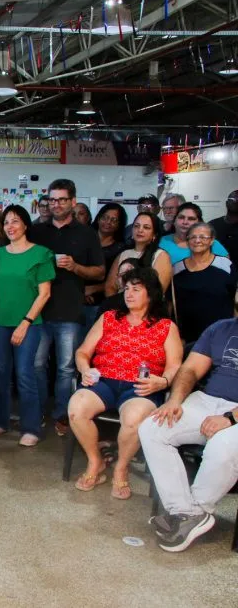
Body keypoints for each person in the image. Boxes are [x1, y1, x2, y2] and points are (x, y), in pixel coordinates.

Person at [69, 267, 182, 500]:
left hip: (141, 386)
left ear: (150, 294)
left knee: (133, 419)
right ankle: (95, 462)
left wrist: (163, 381)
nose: (129, 294)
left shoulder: (165, 327)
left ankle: (121, 467)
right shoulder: (109, 317)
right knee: (76, 409)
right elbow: (82, 352)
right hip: (104, 380)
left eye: (136, 289)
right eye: (126, 289)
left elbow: (175, 365)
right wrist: (84, 368)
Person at [139, 314, 238, 552]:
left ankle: (194, 510)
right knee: (153, 428)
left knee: (221, 445)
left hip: (234, 414)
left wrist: (230, 418)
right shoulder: (220, 328)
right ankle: (186, 512)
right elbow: (190, 369)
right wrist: (175, 400)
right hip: (207, 401)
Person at [29, 179, 105, 436]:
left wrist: (76, 267)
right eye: (52, 199)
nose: (57, 204)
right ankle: (36, 411)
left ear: (73, 202)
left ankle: (61, 415)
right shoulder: (37, 232)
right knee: (37, 364)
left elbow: (99, 272)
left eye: (62, 199)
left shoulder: (86, 234)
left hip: (70, 311)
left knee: (65, 367)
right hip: (38, 310)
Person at [0, 205, 54, 447]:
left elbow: (44, 294)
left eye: (15, 221)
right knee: (1, 374)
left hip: (28, 324)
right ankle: (1, 421)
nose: (10, 227)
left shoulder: (41, 254)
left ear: (25, 224)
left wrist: (25, 322)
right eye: (6, 223)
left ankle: (31, 427)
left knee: (25, 374)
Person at [171, 223, 237, 344]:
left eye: (203, 237)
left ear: (212, 240)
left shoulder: (225, 265)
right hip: (187, 337)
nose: (197, 240)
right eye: (193, 237)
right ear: (187, 241)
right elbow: (171, 303)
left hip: (222, 336)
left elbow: (235, 299)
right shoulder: (177, 268)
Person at [105, 211, 172, 297]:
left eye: (146, 227)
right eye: (136, 226)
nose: (140, 230)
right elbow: (110, 286)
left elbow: (157, 291)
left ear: (154, 235)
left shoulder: (161, 255)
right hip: (119, 305)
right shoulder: (124, 254)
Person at [83, 203, 127, 325]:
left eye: (114, 220)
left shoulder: (121, 248)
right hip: (75, 297)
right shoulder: (83, 240)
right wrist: (81, 291)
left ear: (119, 224)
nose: (108, 222)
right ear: (98, 218)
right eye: (105, 217)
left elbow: (118, 280)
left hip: (101, 301)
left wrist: (92, 289)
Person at [160, 203, 229, 265]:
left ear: (199, 223)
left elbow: (227, 269)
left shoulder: (211, 243)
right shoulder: (161, 242)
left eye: (191, 219)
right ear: (174, 221)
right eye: (181, 217)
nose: (185, 222)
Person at [209, 190, 238, 261]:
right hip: (216, 270)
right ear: (226, 203)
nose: (236, 201)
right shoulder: (212, 226)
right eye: (233, 199)